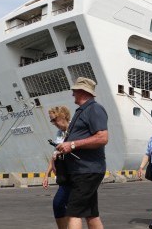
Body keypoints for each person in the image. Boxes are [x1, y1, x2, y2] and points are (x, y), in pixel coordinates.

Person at [56, 77, 108, 229]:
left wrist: (72, 144)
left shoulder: (94, 109)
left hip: (86, 171)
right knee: (91, 214)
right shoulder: (84, 110)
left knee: (73, 213)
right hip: (84, 170)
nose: (72, 93)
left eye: (75, 90)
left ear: (82, 92)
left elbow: (103, 137)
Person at [43, 106, 72, 229]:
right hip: (62, 176)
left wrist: (61, 152)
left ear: (63, 116)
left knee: (59, 203)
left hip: (73, 175)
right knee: (66, 207)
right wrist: (46, 175)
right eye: (52, 121)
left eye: (54, 120)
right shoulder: (59, 133)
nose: (53, 123)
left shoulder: (73, 130)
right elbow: (54, 154)